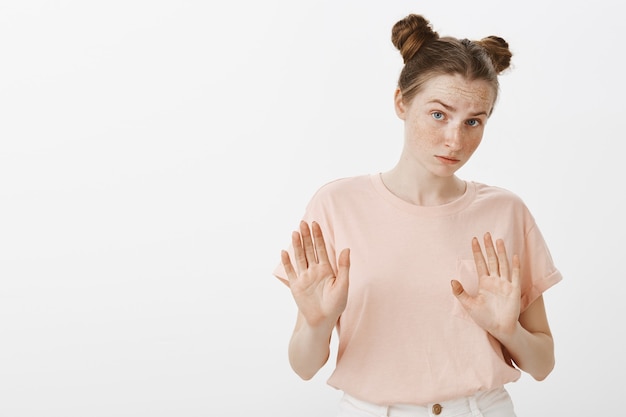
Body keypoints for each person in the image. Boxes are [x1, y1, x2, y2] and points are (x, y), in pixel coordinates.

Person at [273, 13, 562, 417]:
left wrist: (506, 329)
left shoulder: (505, 211)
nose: (454, 140)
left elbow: (543, 364)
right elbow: (303, 366)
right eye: (439, 114)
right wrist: (319, 321)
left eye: (473, 121)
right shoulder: (337, 205)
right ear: (401, 103)